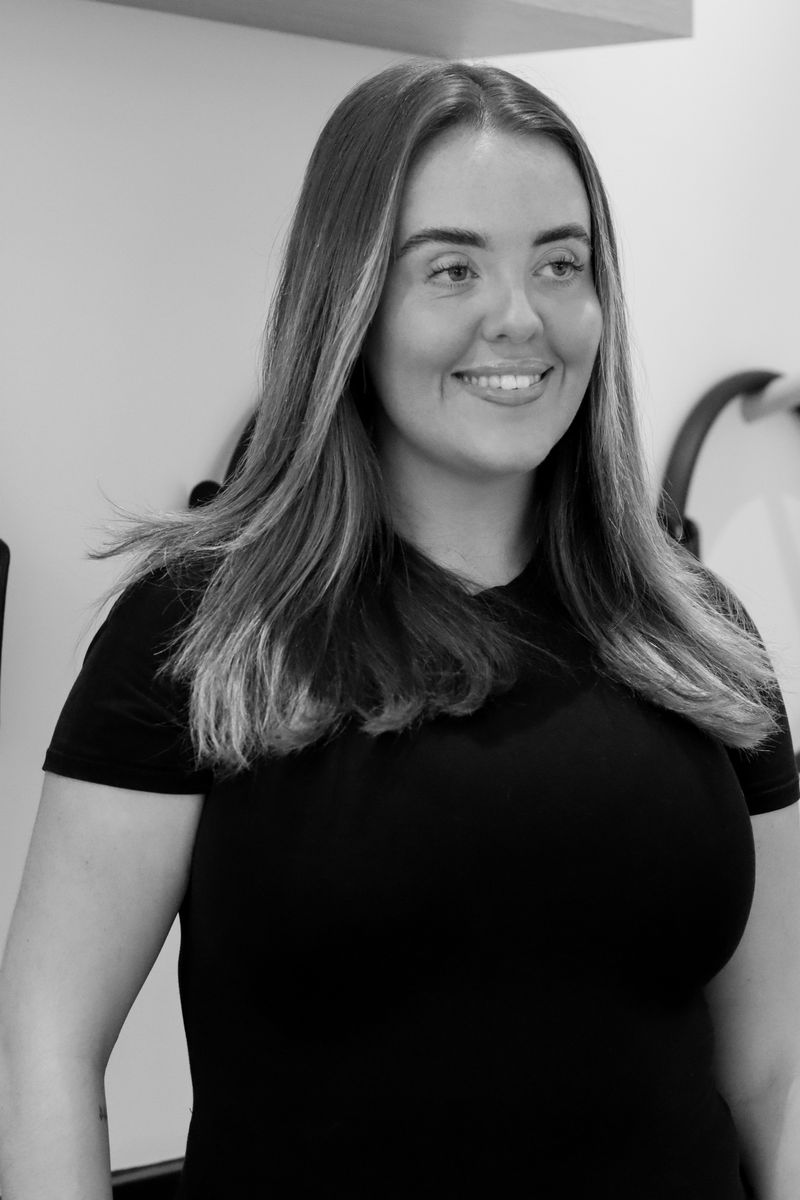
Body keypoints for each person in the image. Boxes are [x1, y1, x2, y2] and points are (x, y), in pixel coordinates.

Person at [1, 57, 799, 1200]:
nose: (517, 317)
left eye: (560, 264)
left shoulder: (696, 633)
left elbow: (776, 1070)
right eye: (451, 268)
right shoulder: (201, 631)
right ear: (352, 300)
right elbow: (44, 1052)